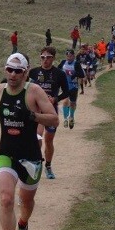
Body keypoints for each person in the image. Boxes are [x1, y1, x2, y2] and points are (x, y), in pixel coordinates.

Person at [0, 53, 59, 230]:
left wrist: (35, 117)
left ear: (26, 73)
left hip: (31, 156)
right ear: (4, 70)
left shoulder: (34, 92)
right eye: (9, 69)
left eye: (18, 71)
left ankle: (23, 224)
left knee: (26, 201)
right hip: (6, 153)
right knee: (6, 199)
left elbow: (54, 119)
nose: (13, 74)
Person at [29, 46, 69, 179]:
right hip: (37, 110)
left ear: (53, 58)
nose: (45, 60)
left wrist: (56, 99)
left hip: (51, 110)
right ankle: (37, 163)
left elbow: (67, 92)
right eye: (42, 57)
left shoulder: (59, 73)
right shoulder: (33, 72)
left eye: (48, 57)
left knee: (49, 140)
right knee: (37, 137)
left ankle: (48, 166)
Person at [58, 49, 85, 129]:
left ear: (73, 56)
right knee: (65, 101)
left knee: (72, 103)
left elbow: (82, 75)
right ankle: (66, 119)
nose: (69, 58)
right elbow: (57, 70)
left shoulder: (76, 64)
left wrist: (74, 73)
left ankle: (71, 117)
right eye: (67, 56)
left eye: (70, 56)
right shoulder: (63, 62)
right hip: (65, 86)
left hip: (74, 86)